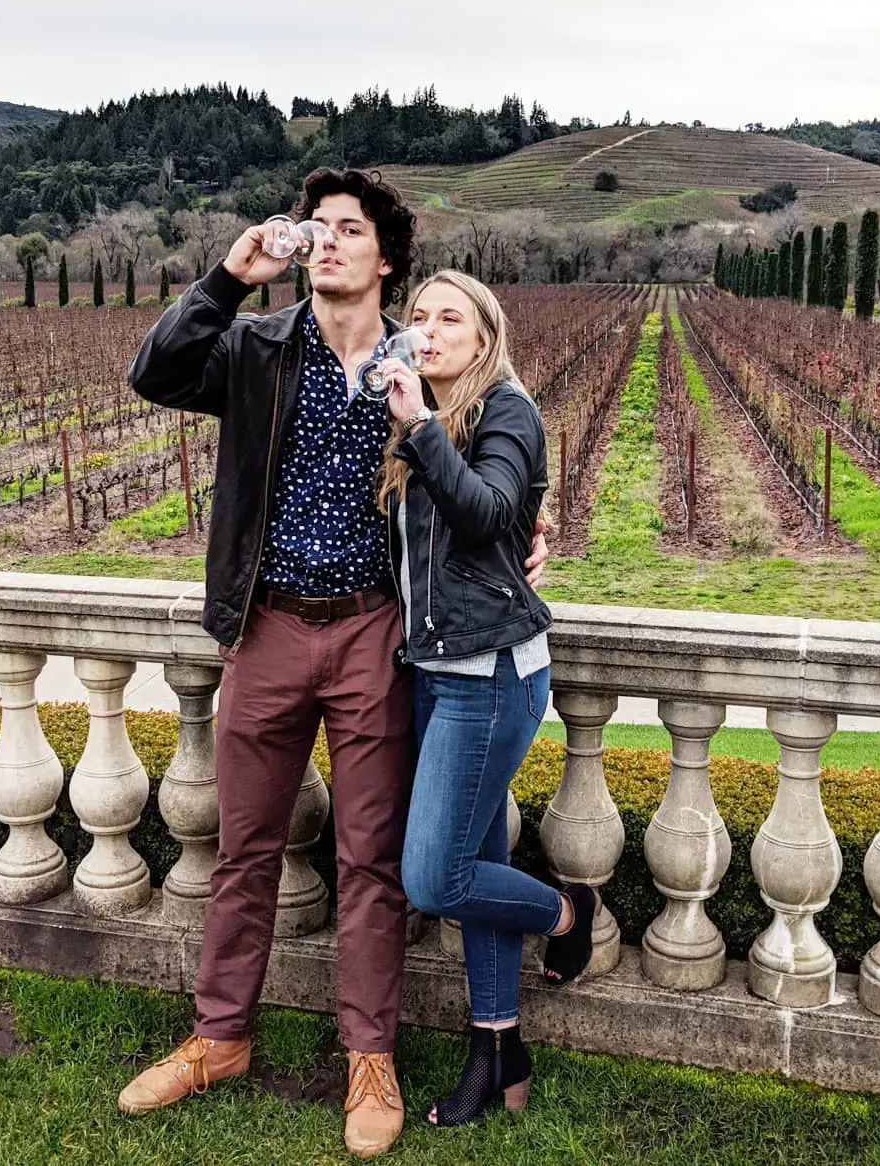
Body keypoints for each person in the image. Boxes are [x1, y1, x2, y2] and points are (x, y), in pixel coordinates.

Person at [119, 169, 545, 1160]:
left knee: (368, 861)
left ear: (386, 257)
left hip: (372, 634)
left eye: (348, 230)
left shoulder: (420, 358)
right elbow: (153, 371)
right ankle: (219, 1037)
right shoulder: (260, 346)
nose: (327, 242)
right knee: (245, 847)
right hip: (267, 628)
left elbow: (504, 442)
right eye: (317, 230)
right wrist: (231, 275)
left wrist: (535, 524)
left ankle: (370, 1056)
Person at [376, 270, 597, 1129]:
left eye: (448, 319)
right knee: (473, 863)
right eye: (419, 316)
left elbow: (486, 510)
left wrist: (421, 427)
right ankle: (497, 1051)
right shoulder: (411, 417)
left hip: (494, 675)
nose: (427, 331)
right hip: (431, 672)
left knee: (435, 877)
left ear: (484, 335)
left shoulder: (506, 410)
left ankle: (568, 910)